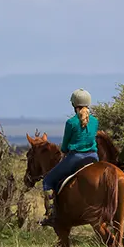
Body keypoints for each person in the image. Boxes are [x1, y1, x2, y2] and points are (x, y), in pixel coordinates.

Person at [40, 89, 99, 227]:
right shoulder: (95, 121)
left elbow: (65, 145)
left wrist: (64, 151)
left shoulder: (71, 122)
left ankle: (51, 214)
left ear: (74, 105)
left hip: (76, 157)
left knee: (48, 180)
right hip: (94, 157)